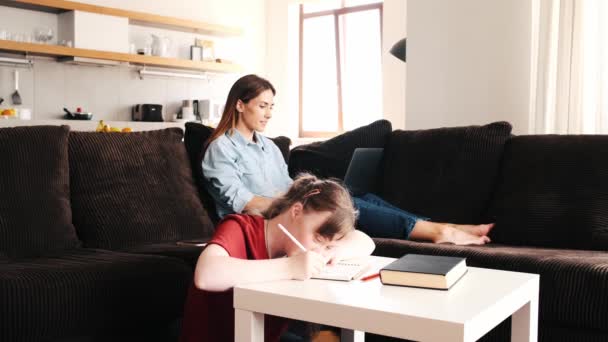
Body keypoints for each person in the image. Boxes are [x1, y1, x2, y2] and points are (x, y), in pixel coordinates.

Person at [202, 74, 494, 245]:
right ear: (240, 105)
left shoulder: (269, 146)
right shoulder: (221, 149)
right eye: (262, 106)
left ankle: (439, 225)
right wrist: (295, 202)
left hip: (293, 206)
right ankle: (438, 232)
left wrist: (307, 193)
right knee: (342, 204)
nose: (268, 113)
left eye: (271, 107)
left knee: (358, 195)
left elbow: (287, 184)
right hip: (270, 221)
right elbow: (243, 202)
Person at [180, 174, 374, 342]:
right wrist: (290, 267)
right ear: (296, 211)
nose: (318, 251)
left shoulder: (303, 248)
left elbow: (365, 242)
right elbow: (206, 275)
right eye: (317, 238)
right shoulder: (241, 228)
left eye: (327, 245)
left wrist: (333, 251)